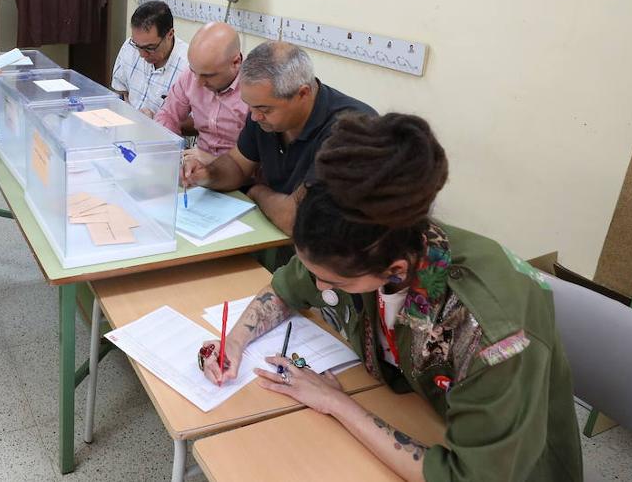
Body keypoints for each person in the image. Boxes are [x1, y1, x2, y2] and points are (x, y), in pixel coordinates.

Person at [200, 113, 583, 481]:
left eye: (334, 283)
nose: (317, 288)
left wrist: (337, 404)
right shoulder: (367, 238)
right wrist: (234, 341)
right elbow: (287, 287)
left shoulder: (492, 335)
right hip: (420, 409)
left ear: (396, 270)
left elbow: (469, 477)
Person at [183, 41, 374, 235]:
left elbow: (296, 218)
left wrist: (257, 191)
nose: (254, 116)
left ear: (303, 94)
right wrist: (208, 174)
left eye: (264, 109)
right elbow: (237, 164)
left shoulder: (350, 131)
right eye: (249, 106)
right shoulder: (262, 114)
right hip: (280, 235)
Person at [154, 21, 249, 166]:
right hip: (196, 166)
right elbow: (167, 115)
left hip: (238, 176)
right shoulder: (193, 75)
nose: (198, 83)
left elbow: (259, 160)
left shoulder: (254, 88)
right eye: (194, 71)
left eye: (208, 75)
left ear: (235, 63)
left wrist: (212, 160)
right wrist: (171, 150)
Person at [111, 0, 189, 117]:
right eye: (138, 46)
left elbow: (198, 122)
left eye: (150, 48)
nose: (142, 55)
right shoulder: (129, 47)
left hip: (164, 133)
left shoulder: (189, 66)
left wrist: (159, 119)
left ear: (170, 34)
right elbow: (120, 90)